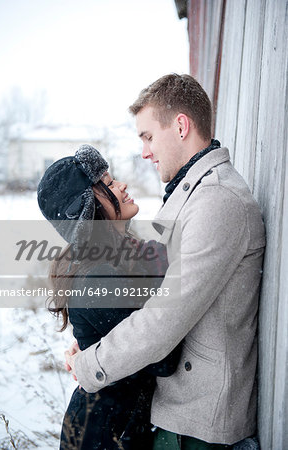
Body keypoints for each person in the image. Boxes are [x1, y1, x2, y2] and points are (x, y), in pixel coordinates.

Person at [65, 74, 266, 449]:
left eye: (148, 136)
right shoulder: (196, 198)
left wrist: (90, 365)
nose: (144, 152)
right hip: (180, 415)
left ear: (180, 126)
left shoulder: (217, 202)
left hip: (199, 428)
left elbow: (163, 319)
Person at [37, 144, 181, 450]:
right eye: (109, 184)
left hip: (121, 425)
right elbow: (163, 358)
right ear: (88, 207)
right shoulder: (97, 276)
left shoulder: (117, 256)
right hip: (103, 433)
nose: (123, 185)